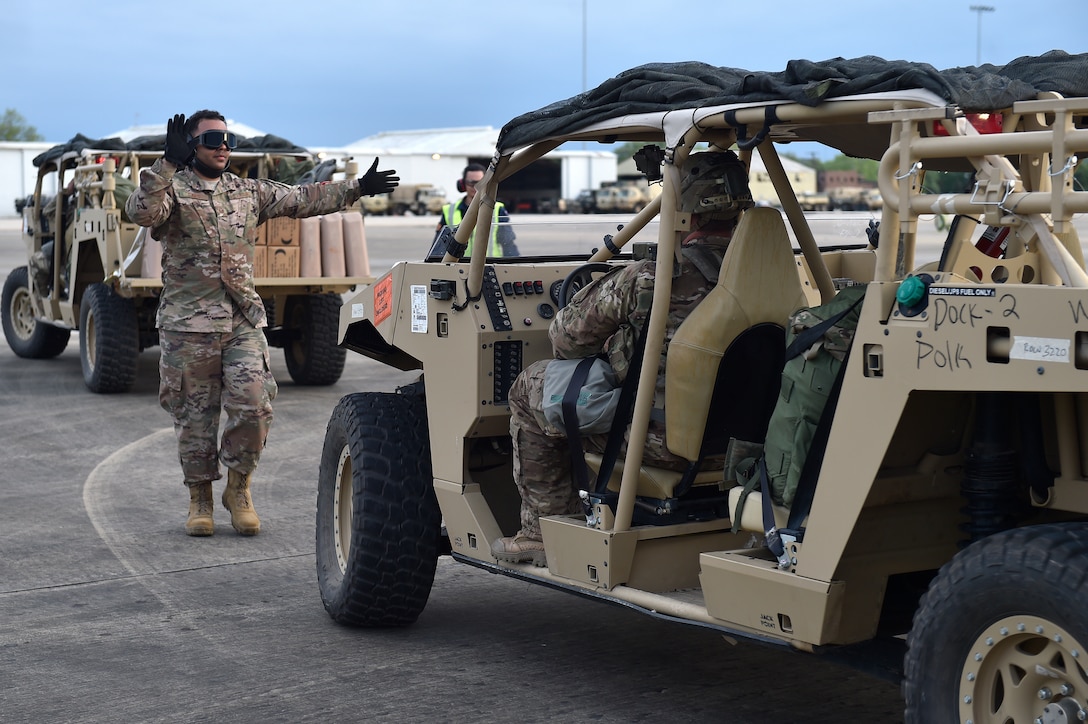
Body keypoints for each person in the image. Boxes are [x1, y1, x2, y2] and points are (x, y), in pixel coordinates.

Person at [126, 110, 398, 537]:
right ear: (191, 145)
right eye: (212, 138)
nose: (222, 146)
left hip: (241, 320)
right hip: (188, 325)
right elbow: (141, 214)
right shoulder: (172, 190)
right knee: (194, 418)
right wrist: (165, 164)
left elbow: (303, 199)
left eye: (227, 138)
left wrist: (359, 188)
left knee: (254, 404)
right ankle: (200, 498)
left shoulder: (246, 191)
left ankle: (239, 488)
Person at [491, 151, 753, 565]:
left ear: (685, 209)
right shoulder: (769, 274)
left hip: (664, 444)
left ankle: (540, 532)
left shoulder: (651, 277)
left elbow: (566, 342)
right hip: (749, 442)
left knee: (529, 387)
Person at [435, 163, 518, 257]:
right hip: (458, 268)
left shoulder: (498, 209)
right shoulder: (449, 210)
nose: (476, 187)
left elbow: (508, 245)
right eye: (471, 183)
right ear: (462, 185)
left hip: (489, 267)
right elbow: (439, 247)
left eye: (480, 182)